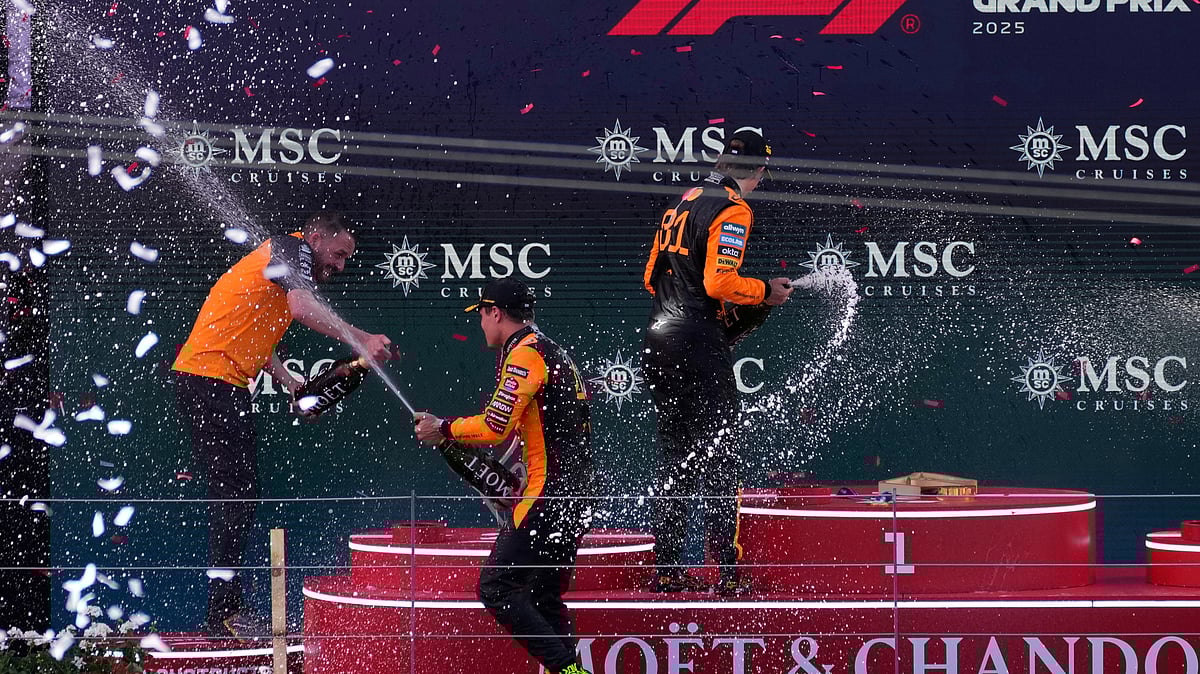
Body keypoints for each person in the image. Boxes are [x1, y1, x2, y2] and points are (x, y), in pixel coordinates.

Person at [173, 211, 394, 638]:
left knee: (238, 495)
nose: (341, 265)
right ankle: (223, 614)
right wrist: (362, 339)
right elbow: (303, 307)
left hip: (216, 382)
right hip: (209, 381)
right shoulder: (291, 248)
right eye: (339, 253)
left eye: (346, 259)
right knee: (236, 495)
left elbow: (260, 337)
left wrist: (292, 384)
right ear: (316, 236)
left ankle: (225, 610)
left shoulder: (283, 262)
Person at [414, 278, 595, 674]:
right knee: (545, 597)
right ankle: (569, 670)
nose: (480, 323)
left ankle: (569, 670)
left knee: (495, 586)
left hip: (550, 494)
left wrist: (443, 428)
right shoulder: (551, 348)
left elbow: (496, 426)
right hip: (578, 494)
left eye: (481, 314)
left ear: (494, 312)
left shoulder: (526, 355)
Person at [641, 129, 794, 596]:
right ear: (759, 171)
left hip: (659, 338)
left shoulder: (684, 200)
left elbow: (650, 277)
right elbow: (718, 282)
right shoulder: (733, 208)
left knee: (677, 458)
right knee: (720, 458)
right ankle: (727, 573)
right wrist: (764, 292)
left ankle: (667, 569)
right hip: (696, 343)